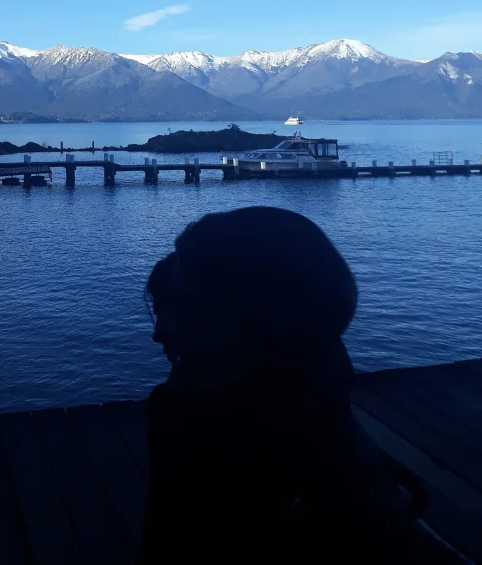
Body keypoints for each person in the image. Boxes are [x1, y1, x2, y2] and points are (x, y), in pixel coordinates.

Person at [141, 208, 455, 564]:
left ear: (251, 313)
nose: (160, 330)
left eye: (186, 302)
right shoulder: (321, 386)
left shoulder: (195, 419)